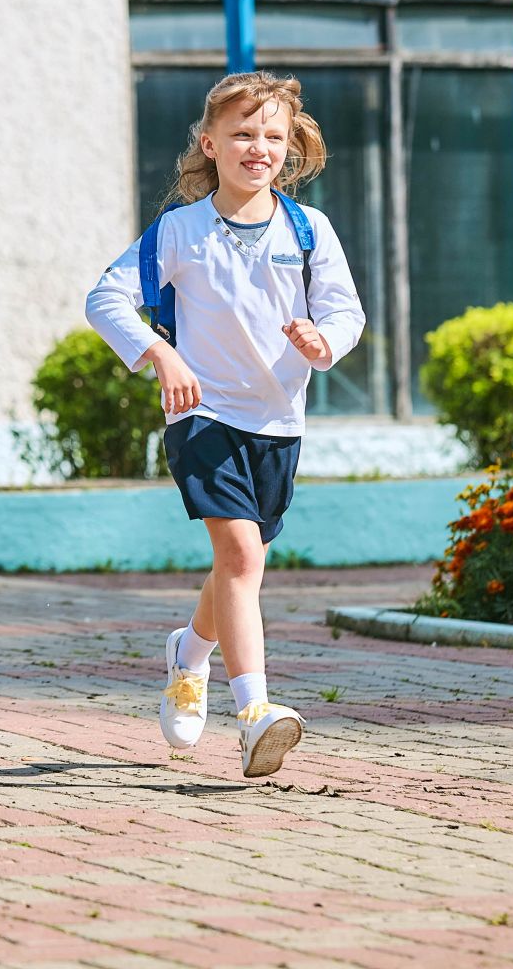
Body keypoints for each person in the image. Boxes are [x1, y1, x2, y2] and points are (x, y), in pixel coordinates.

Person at [85, 71, 364, 778]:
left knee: (239, 566)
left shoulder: (309, 230)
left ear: (290, 148)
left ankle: (190, 653)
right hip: (202, 416)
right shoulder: (181, 231)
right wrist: (159, 354)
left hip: (279, 423)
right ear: (209, 143)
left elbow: (346, 313)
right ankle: (255, 715)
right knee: (241, 558)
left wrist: (322, 342)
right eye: (242, 133)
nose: (257, 147)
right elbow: (105, 298)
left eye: (272, 135)